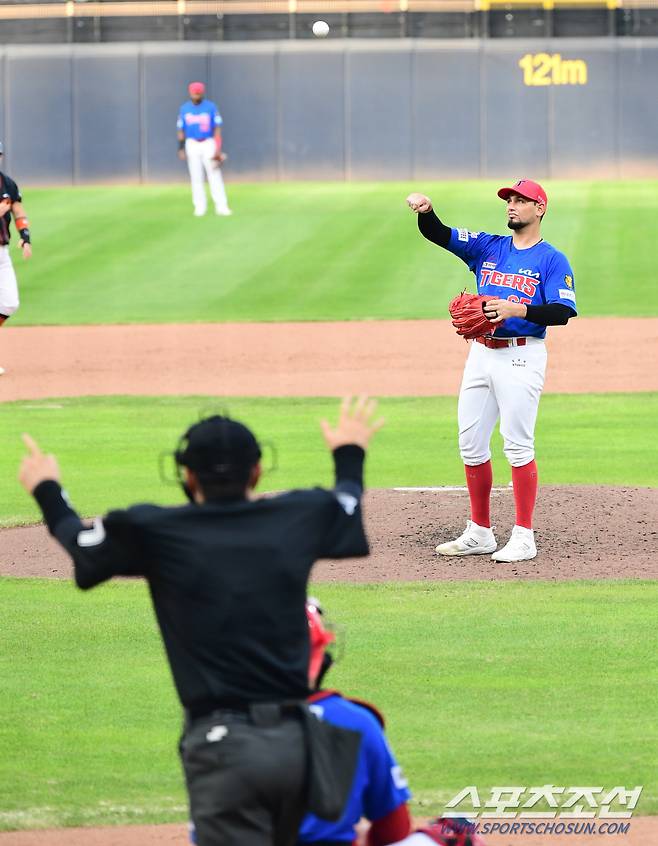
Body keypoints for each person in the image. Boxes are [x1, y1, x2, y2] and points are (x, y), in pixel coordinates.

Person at [18, 396, 385, 846]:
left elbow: (83, 548)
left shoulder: (155, 530)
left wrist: (48, 491)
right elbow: (346, 505)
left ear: (187, 475)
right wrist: (349, 453)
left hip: (223, 748)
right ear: (256, 470)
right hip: (299, 744)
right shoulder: (297, 515)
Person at [407, 180, 577, 563]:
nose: (512, 206)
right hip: (481, 355)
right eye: (509, 200)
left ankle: (523, 536)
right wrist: (427, 211)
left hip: (522, 356)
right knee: (470, 443)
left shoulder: (552, 259)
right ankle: (480, 532)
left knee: (517, 446)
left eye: (521, 200)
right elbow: (439, 233)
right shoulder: (488, 246)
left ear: (540, 209)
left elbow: (562, 312)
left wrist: (519, 310)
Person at [298, 598, 412, 846]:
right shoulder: (355, 722)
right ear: (321, 656)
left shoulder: (219, 726)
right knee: (450, 835)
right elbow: (394, 831)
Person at [0, 140, 32, 375]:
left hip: (2, 251)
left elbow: (17, 208)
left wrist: (25, 235)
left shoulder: (7, 183)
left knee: (10, 302)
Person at [177, 81, 232, 217]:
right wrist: (181, 147)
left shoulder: (210, 107)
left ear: (202, 92)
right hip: (192, 143)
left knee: (214, 174)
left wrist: (217, 148)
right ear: (190, 92)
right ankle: (199, 207)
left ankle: (222, 206)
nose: (196, 94)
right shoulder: (184, 108)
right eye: (194, 92)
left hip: (208, 142)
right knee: (196, 177)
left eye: (198, 92)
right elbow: (180, 129)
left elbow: (217, 127)